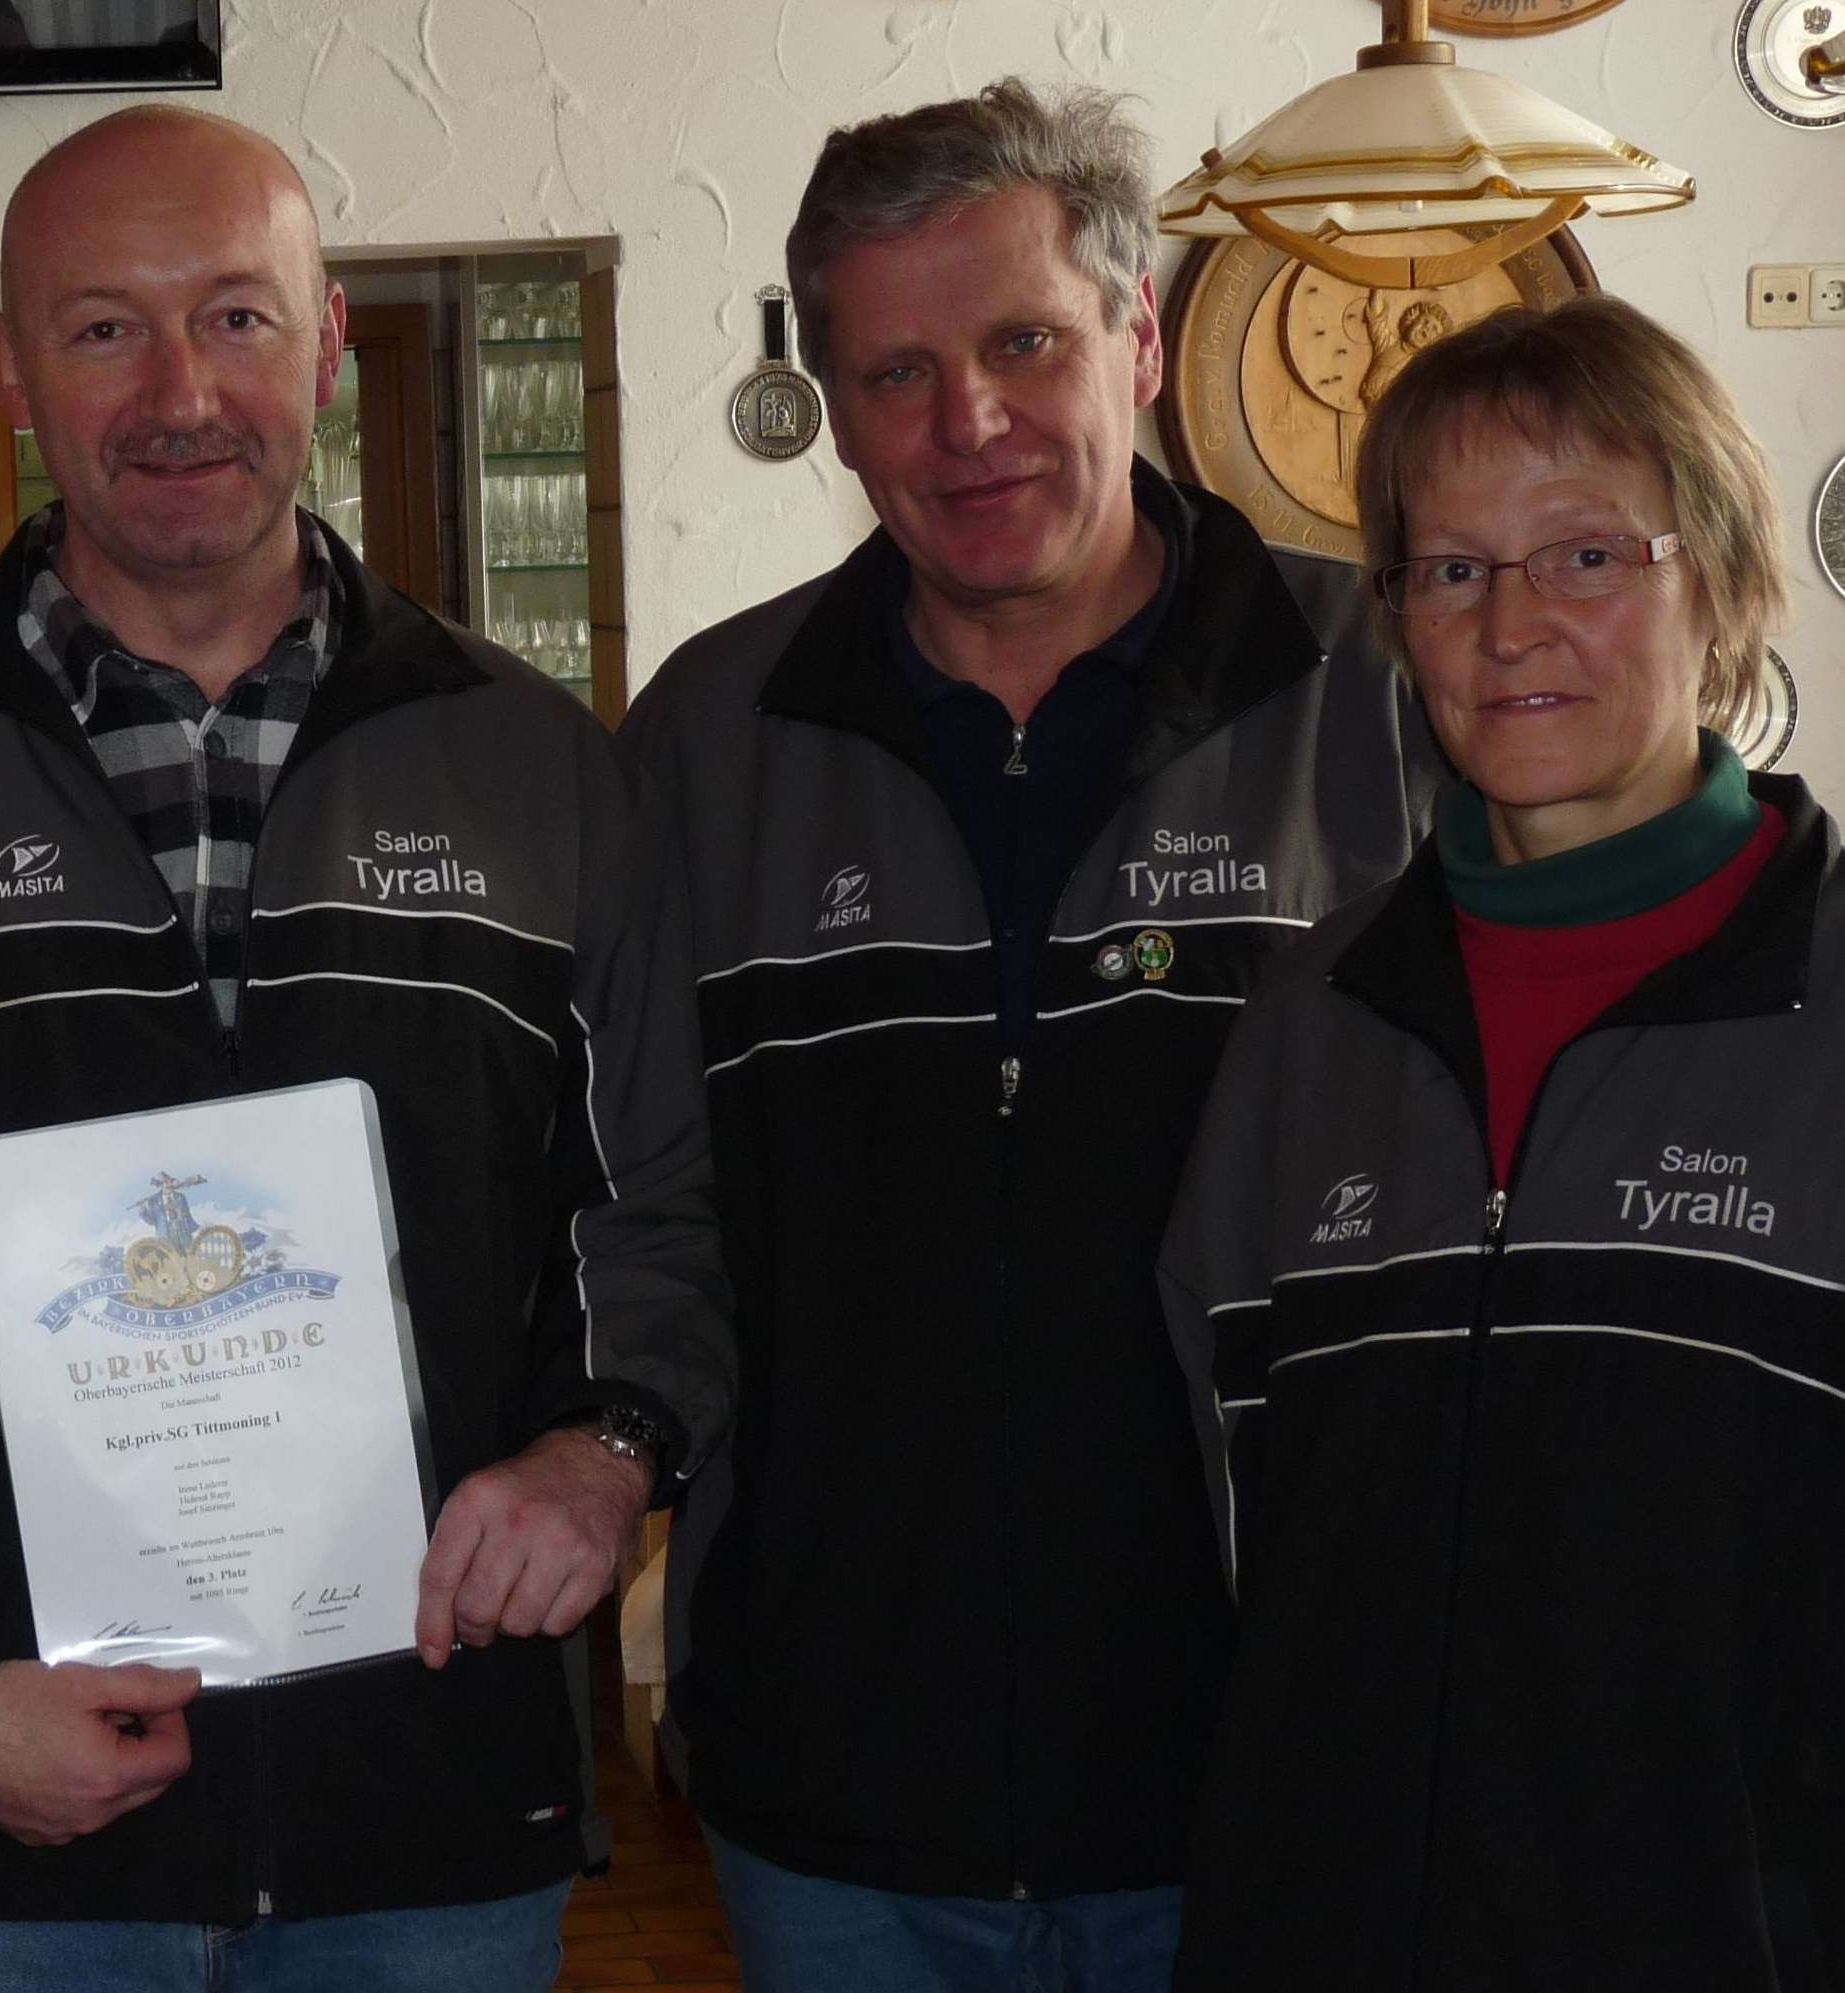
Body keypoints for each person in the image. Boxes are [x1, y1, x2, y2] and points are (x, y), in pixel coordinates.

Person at [0, 103, 733, 1993]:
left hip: (428, 1825)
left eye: (238, 317)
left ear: (325, 348)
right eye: (104, 329)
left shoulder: (541, 770)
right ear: (15, 374)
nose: (180, 392)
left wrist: (608, 1449)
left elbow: (658, 1210)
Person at [622, 81, 1441, 1990]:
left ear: (1137, 337)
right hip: (835, 1792)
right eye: (896, 373)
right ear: (836, 413)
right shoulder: (709, 744)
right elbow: (636, 1200)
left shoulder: (1388, 705)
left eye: (1021, 344)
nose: (968, 423)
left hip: (1269, 1769)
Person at [1162, 296, 1826, 1988]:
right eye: (1451, 568)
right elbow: (1234, 1528)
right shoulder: (1307, 1028)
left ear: (1721, 581)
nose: (1513, 623)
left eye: (1586, 555)